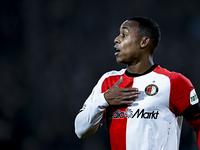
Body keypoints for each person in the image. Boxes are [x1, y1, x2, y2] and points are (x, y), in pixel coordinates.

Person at [74, 16, 200, 150]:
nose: (116, 39)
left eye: (124, 34)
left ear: (144, 42)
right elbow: (80, 130)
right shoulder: (108, 81)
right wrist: (104, 99)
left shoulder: (173, 82)